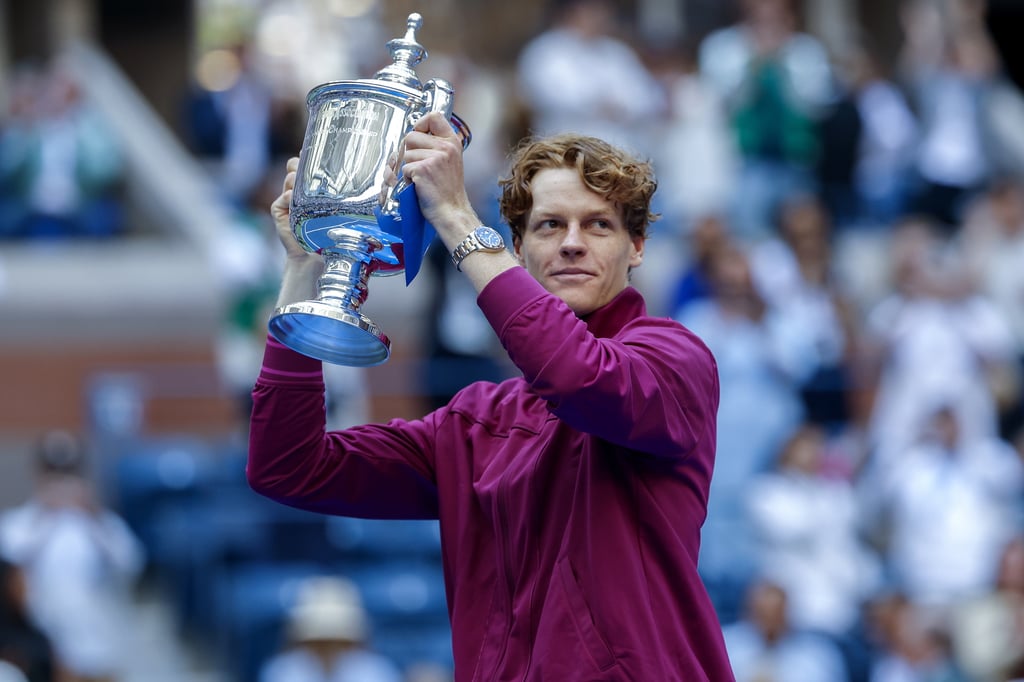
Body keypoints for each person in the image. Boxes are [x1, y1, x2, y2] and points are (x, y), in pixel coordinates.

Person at [247, 112, 734, 680]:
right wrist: (306, 272)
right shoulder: (476, 420)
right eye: (549, 225)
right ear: (519, 247)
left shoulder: (675, 358)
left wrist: (454, 217)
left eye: (598, 225)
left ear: (638, 247)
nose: (572, 243)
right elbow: (288, 466)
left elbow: (577, 376)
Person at [0, 430, 146, 682]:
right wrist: (44, 518)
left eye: (67, 473)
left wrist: (93, 515)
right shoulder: (18, 524)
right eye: (53, 473)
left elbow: (131, 562)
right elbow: (11, 575)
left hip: (98, 631)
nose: (61, 482)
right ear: (39, 475)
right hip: (43, 636)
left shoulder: (100, 523)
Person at [258, 575, 403, 682]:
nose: (328, 647)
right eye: (320, 640)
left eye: (335, 639)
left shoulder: (374, 670)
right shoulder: (283, 670)